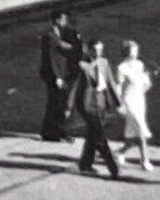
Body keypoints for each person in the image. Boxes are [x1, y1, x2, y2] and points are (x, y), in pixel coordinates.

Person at [66, 38, 121, 179]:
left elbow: (111, 83)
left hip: (101, 102)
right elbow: (74, 88)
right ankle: (113, 168)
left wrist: (119, 104)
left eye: (100, 50)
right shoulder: (82, 66)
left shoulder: (104, 63)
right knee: (100, 135)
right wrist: (68, 106)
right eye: (95, 50)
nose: (98, 53)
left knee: (93, 134)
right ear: (89, 50)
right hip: (87, 104)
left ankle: (85, 164)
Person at [39, 9, 81, 141]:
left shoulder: (57, 33)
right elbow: (52, 58)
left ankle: (55, 130)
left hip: (59, 73)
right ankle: (54, 131)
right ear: (57, 20)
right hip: (54, 75)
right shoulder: (50, 36)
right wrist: (57, 77)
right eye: (63, 19)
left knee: (58, 102)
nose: (65, 21)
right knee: (57, 103)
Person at [116, 40, 153, 171]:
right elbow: (119, 87)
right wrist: (119, 104)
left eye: (137, 49)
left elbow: (144, 81)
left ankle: (120, 152)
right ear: (127, 51)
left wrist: (146, 83)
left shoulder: (140, 64)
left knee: (134, 133)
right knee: (140, 128)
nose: (136, 52)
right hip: (129, 100)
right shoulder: (122, 67)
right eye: (133, 49)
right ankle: (145, 161)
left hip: (140, 100)